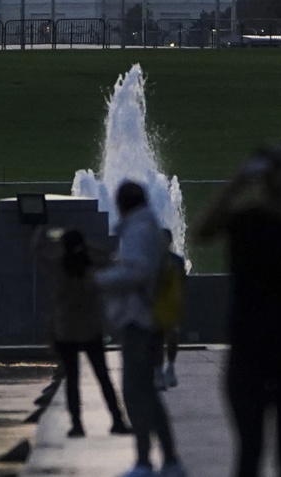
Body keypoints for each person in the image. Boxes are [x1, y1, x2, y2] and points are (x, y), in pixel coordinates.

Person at [193, 149, 281, 477]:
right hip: (259, 349)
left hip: (280, 348)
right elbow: (201, 232)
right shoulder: (248, 221)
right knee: (254, 450)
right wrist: (236, 184)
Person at [95, 180, 185, 477]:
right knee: (146, 392)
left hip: (139, 321)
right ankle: (166, 460)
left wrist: (98, 280)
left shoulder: (138, 230)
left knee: (135, 393)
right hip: (146, 319)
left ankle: (147, 461)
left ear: (121, 203)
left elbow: (137, 272)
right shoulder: (147, 227)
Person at [34, 227, 128, 438]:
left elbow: (37, 252)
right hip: (91, 329)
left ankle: (77, 425)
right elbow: (109, 256)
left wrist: (45, 235)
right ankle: (117, 420)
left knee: (72, 380)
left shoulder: (58, 267)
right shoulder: (92, 267)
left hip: (65, 330)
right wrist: (86, 245)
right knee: (103, 377)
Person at [157, 229, 187, 390]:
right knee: (158, 339)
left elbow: (182, 282)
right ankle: (159, 372)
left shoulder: (177, 260)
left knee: (171, 337)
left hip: (172, 305)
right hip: (157, 305)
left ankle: (170, 368)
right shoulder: (154, 260)